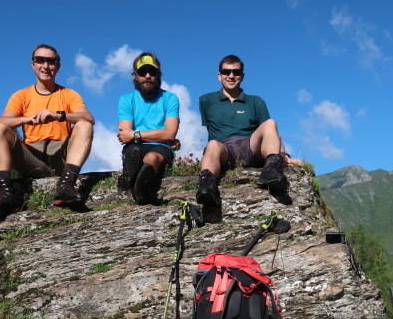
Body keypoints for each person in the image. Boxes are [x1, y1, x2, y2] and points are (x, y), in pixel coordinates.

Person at [0, 44, 94, 218]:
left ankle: (65, 187)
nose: (45, 66)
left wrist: (57, 116)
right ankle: (5, 194)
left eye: (51, 61)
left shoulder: (69, 94)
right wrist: (25, 119)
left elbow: (89, 118)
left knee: (84, 125)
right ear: (32, 64)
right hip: (31, 160)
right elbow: (1, 122)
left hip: (61, 157)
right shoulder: (21, 95)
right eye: (40, 60)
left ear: (58, 66)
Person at [196, 54, 297, 208]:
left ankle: (270, 171)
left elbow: (269, 134)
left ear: (242, 76)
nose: (231, 76)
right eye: (226, 72)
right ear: (219, 76)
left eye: (236, 72)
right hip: (224, 149)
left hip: (249, 146)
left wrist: (284, 155)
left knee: (270, 123)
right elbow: (210, 129)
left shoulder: (256, 102)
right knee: (212, 145)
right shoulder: (206, 101)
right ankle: (207, 187)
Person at [116, 53, 179, 204]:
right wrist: (160, 134)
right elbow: (125, 134)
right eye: (143, 72)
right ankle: (134, 178)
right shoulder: (126, 99)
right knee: (135, 152)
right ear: (136, 75)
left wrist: (136, 134)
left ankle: (140, 187)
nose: (148, 76)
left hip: (159, 147)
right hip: (136, 146)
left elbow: (170, 132)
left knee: (153, 158)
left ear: (158, 74)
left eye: (152, 71)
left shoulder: (170, 98)